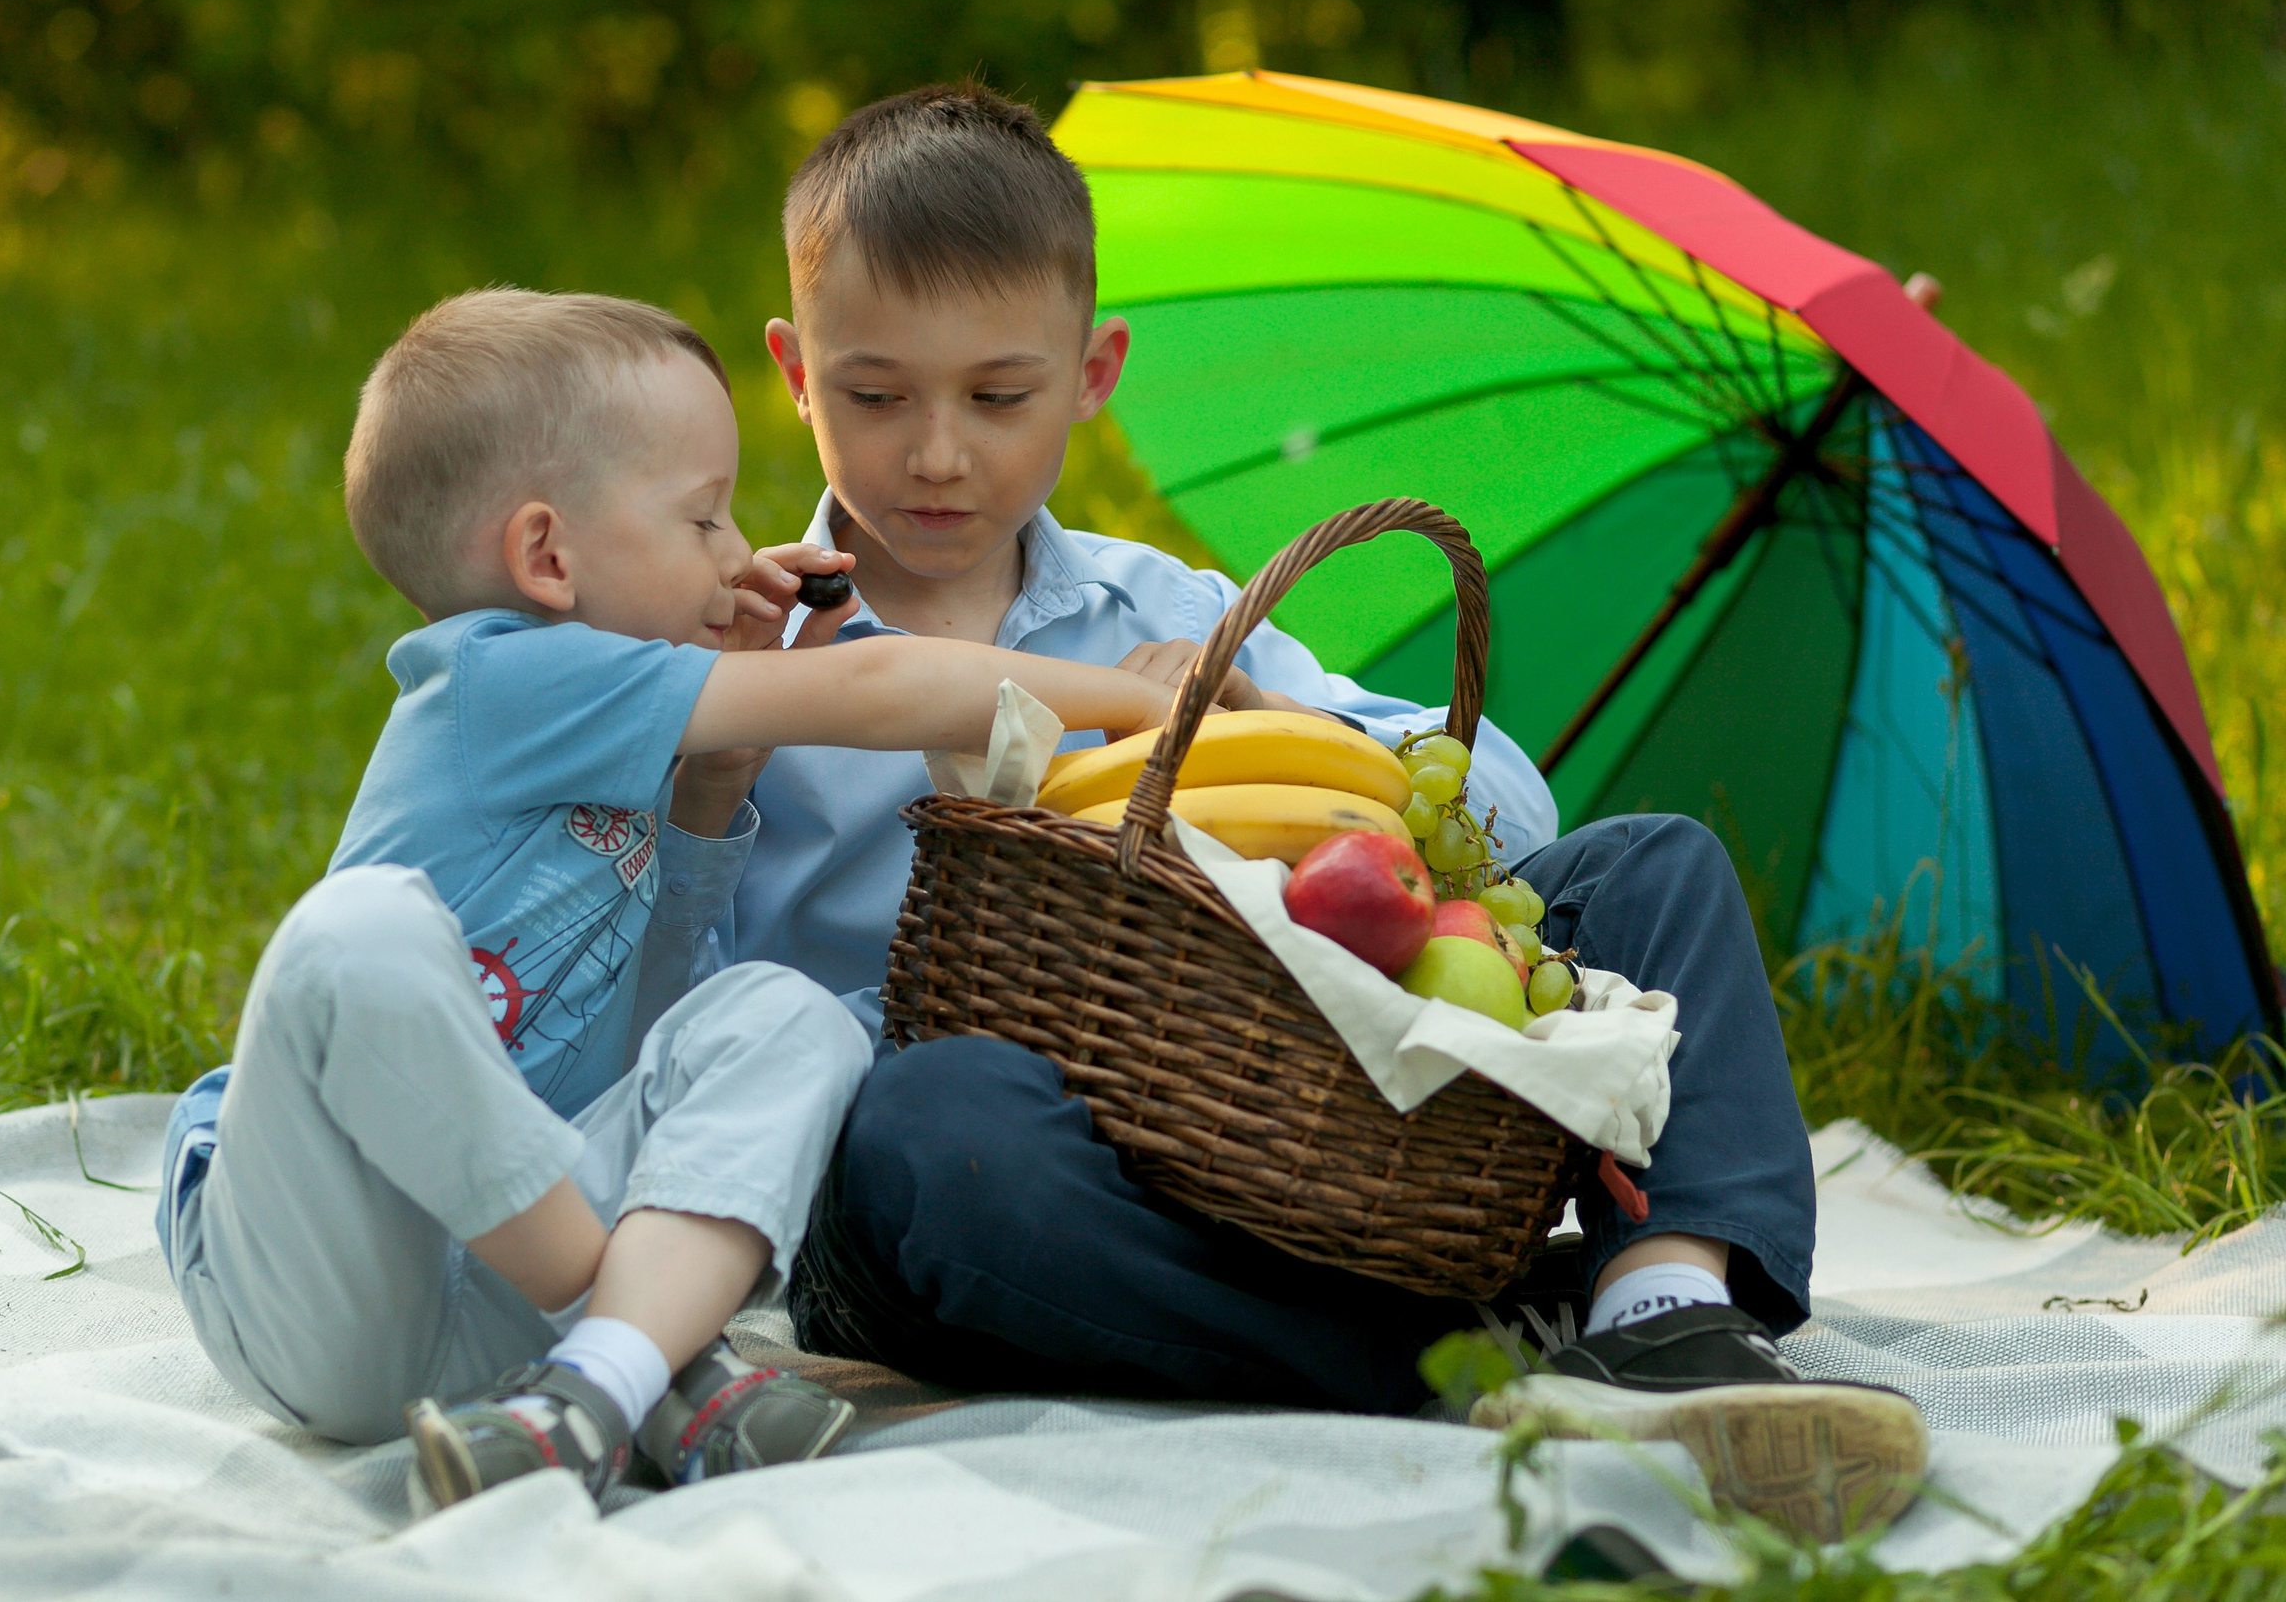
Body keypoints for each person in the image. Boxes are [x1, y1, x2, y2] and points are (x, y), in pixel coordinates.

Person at [707, 84, 1928, 1537]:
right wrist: (712, 758)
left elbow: (1499, 807)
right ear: (792, 369)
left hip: (1261, 1122)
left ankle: (1665, 1298)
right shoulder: (752, 648)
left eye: (998, 394)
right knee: (930, 1121)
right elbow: (677, 987)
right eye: (876, 393)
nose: (938, 454)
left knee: (1649, 870)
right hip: (997, 1182)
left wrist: (1274, 725)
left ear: (1094, 370)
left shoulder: (1160, 609)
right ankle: (1456, 1356)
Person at [154, 288, 1187, 1516]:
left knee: (785, 1012)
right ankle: (657, 1365)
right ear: (547, 557)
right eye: (701, 517)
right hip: (321, 1275)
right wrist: (1137, 705)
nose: (735, 552)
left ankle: (594, 1391)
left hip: (510, 1323)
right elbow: (877, 690)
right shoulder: (500, 677)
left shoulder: (640, 746)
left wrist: (709, 790)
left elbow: (643, 1022)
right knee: (352, 932)